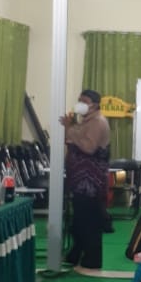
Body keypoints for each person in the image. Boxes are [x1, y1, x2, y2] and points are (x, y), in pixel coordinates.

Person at [60, 89, 110, 269]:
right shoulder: (85, 121)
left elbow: (88, 148)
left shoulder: (97, 122)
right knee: (80, 220)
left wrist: (70, 128)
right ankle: (76, 254)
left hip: (90, 182)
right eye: (79, 99)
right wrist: (71, 128)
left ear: (94, 105)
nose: (80, 103)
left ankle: (92, 259)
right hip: (80, 180)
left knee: (89, 220)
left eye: (84, 101)